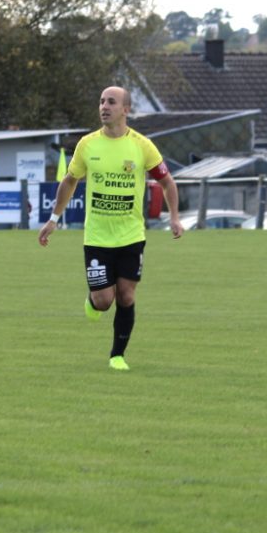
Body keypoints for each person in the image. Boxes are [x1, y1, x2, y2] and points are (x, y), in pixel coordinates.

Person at [38, 85, 182, 371]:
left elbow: (167, 182)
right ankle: (94, 302)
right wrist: (54, 219)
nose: (104, 106)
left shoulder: (142, 146)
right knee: (104, 301)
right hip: (98, 237)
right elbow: (69, 181)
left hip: (131, 236)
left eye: (111, 102)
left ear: (125, 110)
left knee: (127, 295)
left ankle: (117, 355)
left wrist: (175, 217)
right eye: (102, 101)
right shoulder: (87, 144)